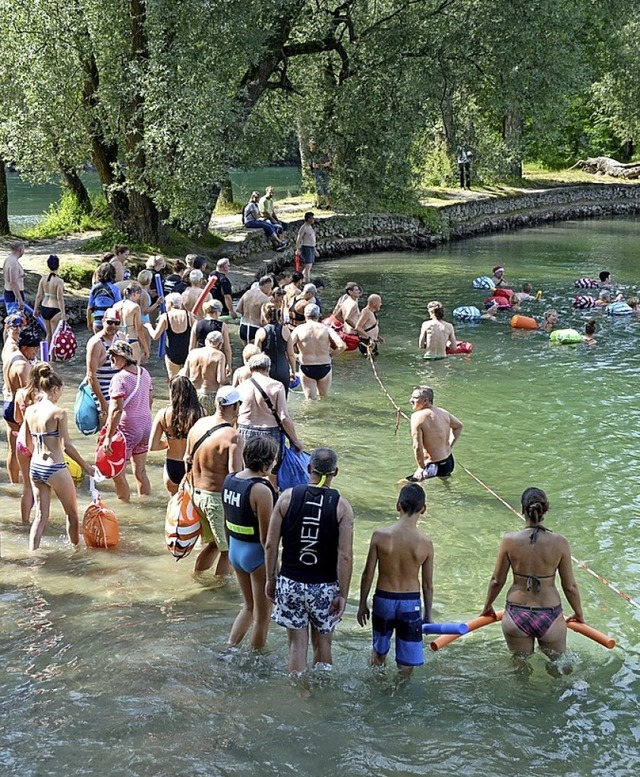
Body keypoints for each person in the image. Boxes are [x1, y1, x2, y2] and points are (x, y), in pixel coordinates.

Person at [264, 447, 354, 675]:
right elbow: (345, 555)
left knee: (297, 645)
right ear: (336, 472)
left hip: (291, 582)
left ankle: (300, 692)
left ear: (308, 468)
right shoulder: (342, 506)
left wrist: (271, 578)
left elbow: (270, 545)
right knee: (323, 644)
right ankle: (323, 694)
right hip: (324, 587)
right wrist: (343, 594)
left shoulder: (287, 497)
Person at [480, 487, 585, 657]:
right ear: (546, 509)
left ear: (523, 509)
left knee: (521, 672)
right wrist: (579, 613)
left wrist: (487, 606)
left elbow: (496, 580)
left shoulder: (509, 540)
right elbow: (570, 586)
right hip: (549, 614)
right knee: (558, 670)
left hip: (516, 614)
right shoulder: (560, 542)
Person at [357, 483, 434, 678]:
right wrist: (428, 614)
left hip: (384, 600)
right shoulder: (425, 543)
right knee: (406, 663)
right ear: (423, 509)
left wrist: (362, 604)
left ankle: (377, 687)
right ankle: (397, 692)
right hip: (410, 603)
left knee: (378, 653)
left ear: (397, 505)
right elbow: (427, 585)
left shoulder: (380, 536)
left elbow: (367, 574)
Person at [21, 364, 93, 550]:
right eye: (60, 390)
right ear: (55, 389)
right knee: (72, 514)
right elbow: (67, 446)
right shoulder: (59, 413)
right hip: (55, 467)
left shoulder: (30, 411)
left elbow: (28, 445)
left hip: (35, 467)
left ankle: (32, 553)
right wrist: (86, 467)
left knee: (40, 516)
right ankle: (76, 553)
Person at [223, 436, 279, 649]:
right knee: (262, 618)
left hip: (236, 550)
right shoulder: (261, 490)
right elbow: (267, 539)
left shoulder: (230, 479)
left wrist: (230, 552)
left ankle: (229, 648)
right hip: (255, 556)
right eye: (273, 460)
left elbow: (226, 522)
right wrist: (274, 571)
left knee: (248, 607)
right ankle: (256, 661)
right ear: (266, 461)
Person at [186, 385, 244, 575]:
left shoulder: (199, 424)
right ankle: (220, 592)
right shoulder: (232, 436)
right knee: (228, 551)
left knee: (213, 544)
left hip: (196, 495)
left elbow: (187, 458)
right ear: (235, 407)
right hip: (216, 500)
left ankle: (197, 577)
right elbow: (234, 475)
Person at [103, 340, 153, 502]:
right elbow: (150, 401)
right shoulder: (144, 373)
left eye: (114, 356)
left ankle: (125, 505)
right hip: (145, 426)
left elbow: (116, 410)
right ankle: (145, 503)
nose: (111, 358)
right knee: (140, 472)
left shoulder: (119, 378)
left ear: (124, 358)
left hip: (127, 430)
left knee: (118, 473)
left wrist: (108, 437)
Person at [238, 354, 304, 466]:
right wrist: (296, 441)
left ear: (250, 368)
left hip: (244, 429)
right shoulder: (276, 386)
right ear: (268, 368)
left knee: (247, 467)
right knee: (272, 470)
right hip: (269, 432)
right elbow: (284, 418)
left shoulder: (241, 387)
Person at [148, 375, 204, 495]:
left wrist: (171, 442)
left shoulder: (163, 414)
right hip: (192, 466)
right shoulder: (201, 412)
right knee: (192, 509)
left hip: (172, 467)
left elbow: (153, 446)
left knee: (174, 508)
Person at [3, 329, 40, 483]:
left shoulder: (11, 355)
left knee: (13, 450)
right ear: (25, 347)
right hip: (19, 408)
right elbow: (28, 394)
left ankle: (14, 483)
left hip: (7, 403)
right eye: (34, 348)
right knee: (29, 450)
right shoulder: (23, 365)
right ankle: (29, 485)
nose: (36, 351)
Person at [291, 303, 345, 400]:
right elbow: (342, 346)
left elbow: (287, 346)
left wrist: (296, 356)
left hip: (307, 366)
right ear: (319, 315)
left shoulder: (299, 329)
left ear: (305, 315)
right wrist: (331, 355)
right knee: (324, 399)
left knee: (310, 401)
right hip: (325, 365)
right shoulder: (326, 329)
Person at [410, 385, 463, 480]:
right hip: (449, 462)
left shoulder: (417, 417)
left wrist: (421, 467)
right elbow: (458, 426)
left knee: (405, 486)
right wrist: (449, 446)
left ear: (425, 400)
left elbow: (417, 447)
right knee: (446, 484)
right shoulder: (443, 412)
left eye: (415, 398)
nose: (411, 400)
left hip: (433, 466)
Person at [86, 308, 124, 429]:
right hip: (103, 392)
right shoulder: (96, 343)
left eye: (117, 323)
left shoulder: (120, 338)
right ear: (103, 321)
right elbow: (91, 375)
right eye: (110, 322)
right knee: (106, 432)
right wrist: (102, 402)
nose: (113, 326)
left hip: (118, 391)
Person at [145, 292, 195, 378]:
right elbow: (196, 331)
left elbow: (155, 336)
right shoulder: (189, 315)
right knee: (188, 380)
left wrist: (148, 326)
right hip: (187, 352)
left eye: (166, 303)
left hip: (172, 353)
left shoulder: (165, 317)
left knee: (173, 380)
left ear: (171, 304)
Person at [254, 302, 296, 396]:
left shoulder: (261, 332)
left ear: (264, 315)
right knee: (282, 402)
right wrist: (293, 371)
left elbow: (256, 355)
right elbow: (291, 354)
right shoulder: (285, 330)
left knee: (266, 402)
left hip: (266, 370)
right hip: (283, 370)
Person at [181, 330, 227, 414]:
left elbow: (184, 375)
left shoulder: (192, 353)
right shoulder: (219, 355)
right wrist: (227, 379)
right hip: (210, 396)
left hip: (193, 394)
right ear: (220, 344)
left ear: (206, 341)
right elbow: (220, 380)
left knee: (193, 423)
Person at [190, 300, 232, 371]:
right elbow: (227, 348)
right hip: (215, 358)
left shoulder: (196, 324)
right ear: (216, 312)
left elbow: (191, 347)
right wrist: (228, 365)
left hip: (200, 357)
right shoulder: (222, 326)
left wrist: (190, 362)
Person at [33, 254, 65, 345]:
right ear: (58, 265)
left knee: (49, 335)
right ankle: (53, 358)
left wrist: (35, 308)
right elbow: (59, 298)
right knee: (55, 336)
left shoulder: (43, 279)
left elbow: (39, 295)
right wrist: (63, 313)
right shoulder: (59, 281)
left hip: (44, 307)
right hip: (55, 309)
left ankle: (46, 356)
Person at [114, 283, 148, 364]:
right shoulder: (135, 307)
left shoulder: (116, 305)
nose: (138, 299)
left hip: (119, 339)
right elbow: (139, 329)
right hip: (131, 339)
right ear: (134, 294)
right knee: (135, 369)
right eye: (138, 296)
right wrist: (146, 347)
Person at [237, 276, 273, 345]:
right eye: (270, 287)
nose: (270, 290)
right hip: (255, 328)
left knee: (246, 352)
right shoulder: (265, 298)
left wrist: (247, 314)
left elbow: (238, 309)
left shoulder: (247, 293)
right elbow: (265, 319)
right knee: (257, 352)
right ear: (266, 285)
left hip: (243, 326)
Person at [87, 262, 122, 332]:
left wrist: (89, 323)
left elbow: (89, 308)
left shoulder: (94, 288)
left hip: (97, 321)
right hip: (110, 321)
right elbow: (119, 307)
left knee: (99, 341)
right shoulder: (115, 289)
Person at [3, 241, 26, 314]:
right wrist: (20, 299)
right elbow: (13, 282)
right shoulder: (13, 262)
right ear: (20, 250)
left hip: (12, 294)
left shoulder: (8, 259)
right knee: (15, 321)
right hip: (14, 296)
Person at [308, 140, 331, 209]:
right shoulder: (315, 155)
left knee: (327, 188)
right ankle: (318, 204)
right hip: (318, 173)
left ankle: (328, 205)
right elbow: (314, 165)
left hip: (325, 173)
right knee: (319, 188)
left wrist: (327, 164)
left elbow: (329, 162)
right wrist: (323, 165)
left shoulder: (325, 155)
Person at [296, 211, 317, 284]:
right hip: (306, 247)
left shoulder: (310, 227)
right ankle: (307, 281)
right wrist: (298, 249)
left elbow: (312, 239)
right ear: (308, 219)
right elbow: (299, 238)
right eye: (312, 218)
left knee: (309, 266)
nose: (314, 219)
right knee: (308, 265)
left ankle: (301, 278)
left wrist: (315, 250)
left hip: (311, 247)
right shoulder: (303, 227)